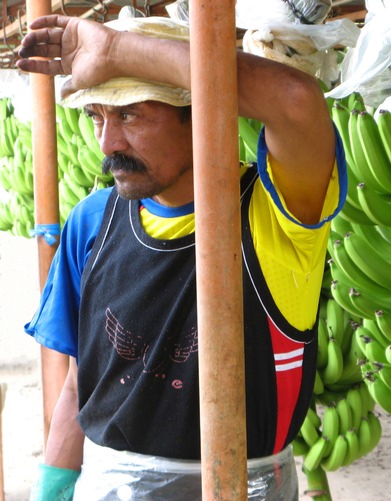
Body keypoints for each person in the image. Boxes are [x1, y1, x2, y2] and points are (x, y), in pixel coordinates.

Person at [17, 13, 346, 500]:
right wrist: (55, 486)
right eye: (97, 118)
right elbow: (80, 383)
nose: (108, 144)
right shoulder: (92, 220)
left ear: (203, 111)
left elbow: (295, 100)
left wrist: (114, 51)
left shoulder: (276, 215)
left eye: (130, 115)